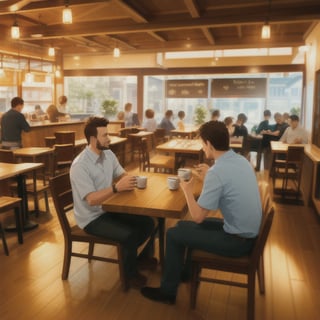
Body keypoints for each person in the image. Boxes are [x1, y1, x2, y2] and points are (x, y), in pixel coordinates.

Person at [140, 120, 262, 304]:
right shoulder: (240, 160)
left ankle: (168, 292)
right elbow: (225, 185)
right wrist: (210, 174)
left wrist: (187, 190)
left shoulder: (217, 171)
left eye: (202, 143)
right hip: (247, 231)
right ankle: (185, 273)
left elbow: (198, 217)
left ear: (209, 144)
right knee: (182, 225)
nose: (202, 147)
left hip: (237, 242)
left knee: (173, 234)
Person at [70, 116, 157, 289]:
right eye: (105, 135)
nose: (109, 138)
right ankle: (129, 275)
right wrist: (116, 188)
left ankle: (138, 259)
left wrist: (132, 179)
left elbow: (121, 174)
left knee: (149, 222)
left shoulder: (108, 154)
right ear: (93, 139)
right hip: (91, 218)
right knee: (129, 235)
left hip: (108, 209)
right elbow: (92, 199)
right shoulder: (80, 165)